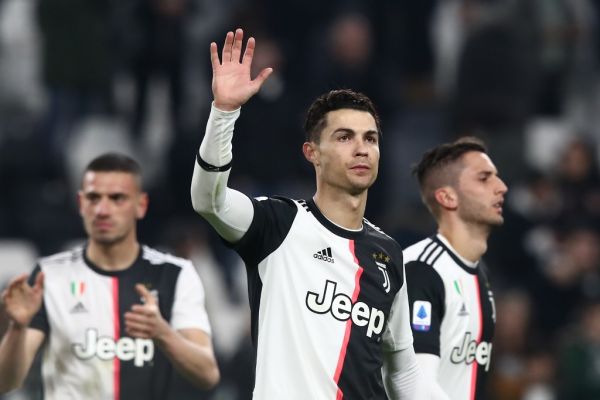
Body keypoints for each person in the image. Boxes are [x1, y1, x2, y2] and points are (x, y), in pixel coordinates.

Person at [191, 28, 422, 399]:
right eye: (345, 137)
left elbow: (403, 367)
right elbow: (209, 201)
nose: (362, 149)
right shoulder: (278, 224)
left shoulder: (388, 253)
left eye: (371, 138)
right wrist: (224, 113)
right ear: (312, 152)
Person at [0, 153, 219, 399]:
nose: (103, 210)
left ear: (141, 205)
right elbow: (6, 382)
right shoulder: (50, 276)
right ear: (81, 204)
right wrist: (17, 328)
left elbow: (207, 374)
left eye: (117, 198)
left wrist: (163, 333)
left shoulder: (175, 274)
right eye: (94, 198)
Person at [403, 137, 508, 399]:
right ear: (448, 197)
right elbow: (416, 387)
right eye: (484, 178)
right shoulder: (421, 269)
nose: (502, 187)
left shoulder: (478, 272)